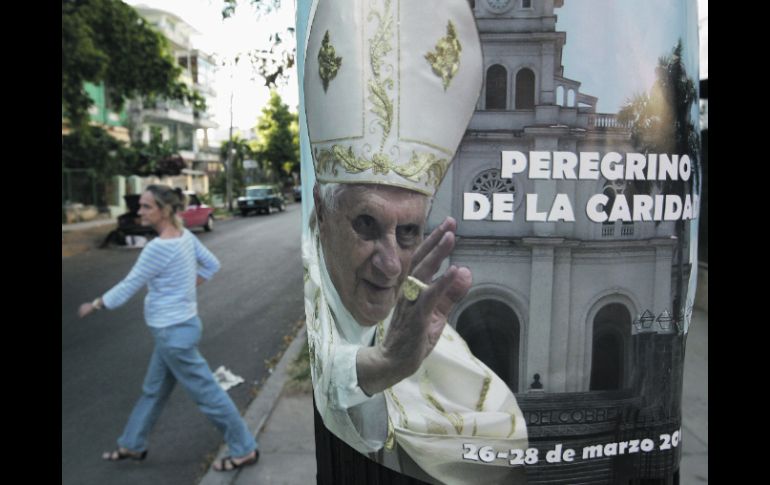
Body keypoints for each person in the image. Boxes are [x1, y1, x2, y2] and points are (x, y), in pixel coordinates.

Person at [302, 0, 527, 482]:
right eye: (366, 224)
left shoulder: (419, 319)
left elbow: (502, 435)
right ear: (322, 215)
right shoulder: (313, 275)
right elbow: (328, 368)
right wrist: (380, 364)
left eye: (408, 233)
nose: (389, 265)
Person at [78, 185, 258, 472]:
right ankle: (132, 444)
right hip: (179, 329)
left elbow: (128, 286)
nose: (140, 211)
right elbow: (211, 265)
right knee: (154, 390)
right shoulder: (185, 237)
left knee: (209, 395)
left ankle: (244, 449)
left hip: (173, 335)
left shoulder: (158, 248)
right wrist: (186, 286)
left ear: (163, 210)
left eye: (146, 206)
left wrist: (96, 303)